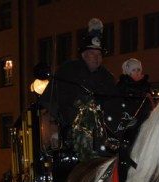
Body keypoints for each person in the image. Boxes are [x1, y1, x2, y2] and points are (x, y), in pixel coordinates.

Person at [40, 18, 120, 158]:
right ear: (84, 54)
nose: (96, 58)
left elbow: (114, 108)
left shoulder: (107, 78)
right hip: (71, 138)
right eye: (92, 54)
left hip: (102, 138)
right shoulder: (67, 71)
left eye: (99, 54)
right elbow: (50, 103)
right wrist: (54, 131)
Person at [116, 58, 156, 147]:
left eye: (138, 69)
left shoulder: (145, 84)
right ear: (128, 72)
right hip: (129, 116)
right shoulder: (123, 84)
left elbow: (151, 100)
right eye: (133, 70)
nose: (137, 72)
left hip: (144, 114)